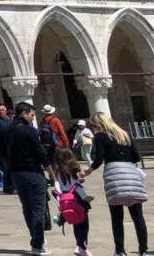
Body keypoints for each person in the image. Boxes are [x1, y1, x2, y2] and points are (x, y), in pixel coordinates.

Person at [82, 110, 148, 256]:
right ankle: (144, 250)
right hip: (130, 174)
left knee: (117, 216)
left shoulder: (100, 136)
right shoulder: (124, 134)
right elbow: (136, 157)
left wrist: (88, 171)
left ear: (98, 124)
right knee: (138, 216)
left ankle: (120, 250)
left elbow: (99, 159)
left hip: (114, 174)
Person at [7, 103, 52, 256]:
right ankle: (37, 244)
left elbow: (1, 153)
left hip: (16, 173)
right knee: (38, 208)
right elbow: (40, 153)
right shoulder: (29, 131)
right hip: (32, 172)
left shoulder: (5, 130)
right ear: (24, 113)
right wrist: (50, 171)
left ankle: (36, 239)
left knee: (27, 207)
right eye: (32, 115)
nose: (33, 118)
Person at [51, 147, 90, 256]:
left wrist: (59, 200)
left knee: (75, 221)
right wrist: (86, 197)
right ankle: (81, 246)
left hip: (65, 198)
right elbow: (76, 186)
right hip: (76, 197)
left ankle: (80, 245)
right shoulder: (72, 168)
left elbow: (57, 186)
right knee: (83, 222)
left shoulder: (58, 170)